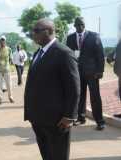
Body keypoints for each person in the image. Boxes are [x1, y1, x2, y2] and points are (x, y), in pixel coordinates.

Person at [24, 19, 80, 160]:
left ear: (48, 31)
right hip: (38, 118)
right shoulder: (38, 53)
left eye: (36, 31)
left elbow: (74, 87)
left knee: (58, 156)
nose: (33, 34)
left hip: (57, 120)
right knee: (47, 155)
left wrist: (69, 116)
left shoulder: (64, 53)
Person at [66, 17, 105, 130]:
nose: (80, 27)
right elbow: (68, 56)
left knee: (95, 97)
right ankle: (81, 117)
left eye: (82, 24)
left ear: (84, 25)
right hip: (77, 73)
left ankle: (99, 121)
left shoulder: (94, 36)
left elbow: (100, 54)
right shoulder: (70, 38)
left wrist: (100, 70)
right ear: (74, 26)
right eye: (77, 25)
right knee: (79, 96)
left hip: (92, 73)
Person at [0, 36, 14, 104]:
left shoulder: (9, 49)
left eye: (3, 40)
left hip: (7, 69)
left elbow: (11, 58)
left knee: (9, 84)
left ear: (5, 41)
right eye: (1, 40)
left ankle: (10, 97)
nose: (2, 42)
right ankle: (0, 99)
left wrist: (10, 65)